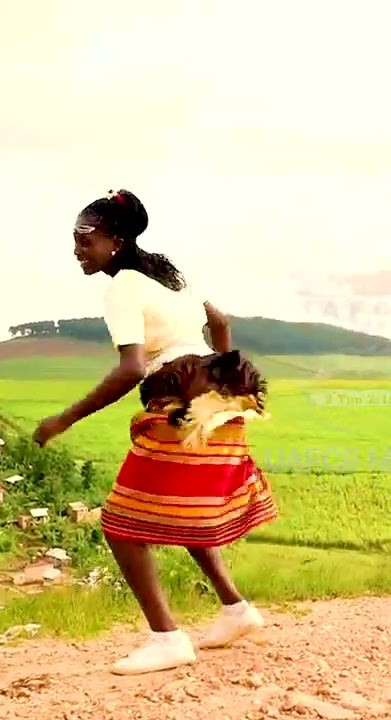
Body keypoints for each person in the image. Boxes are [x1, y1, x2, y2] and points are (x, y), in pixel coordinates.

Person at [33, 189, 278, 675]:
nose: (78, 249)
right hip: (222, 406)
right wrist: (223, 367)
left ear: (117, 240)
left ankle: (166, 638)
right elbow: (220, 321)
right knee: (177, 510)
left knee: (121, 523)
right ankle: (236, 610)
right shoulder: (170, 275)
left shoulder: (122, 286)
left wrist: (64, 419)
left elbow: (129, 370)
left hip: (179, 410)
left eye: (86, 239)